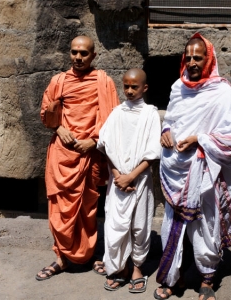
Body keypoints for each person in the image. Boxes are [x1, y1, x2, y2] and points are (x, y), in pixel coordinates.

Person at [154, 33, 231, 300]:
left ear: (209, 59)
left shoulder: (222, 92)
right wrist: (166, 131)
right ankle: (175, 277)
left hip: (206, 169)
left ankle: (207, 278)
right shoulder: (176, 88)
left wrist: (199, 139)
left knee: (206, 224)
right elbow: (170, 118)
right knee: (173, 225)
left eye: (198, 57)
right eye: (189, 57)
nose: (192, 62)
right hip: (175, 167)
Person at [36, 35, 120, 280]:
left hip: (89, 155)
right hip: (62, 156)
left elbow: (114, 119)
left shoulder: (104, 82)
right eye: (74, 52)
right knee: (59, 210)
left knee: (87, 209)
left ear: (94, 55)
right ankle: (61, 258)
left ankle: (91, 253)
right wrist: (58, 127)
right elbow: (45, 113)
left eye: (84, 53)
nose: (78, 57)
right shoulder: (58, 81)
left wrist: (94, 141)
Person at [96, 68, 161, 293]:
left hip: (140, 180)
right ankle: (119, 267)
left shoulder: (150, 113)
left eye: (135, 86)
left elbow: (153, 152)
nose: (130, 91)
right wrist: (118, 176)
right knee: (115, 225)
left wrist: (131, 176)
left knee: (139, 226)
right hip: (117, 182)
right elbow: (105, 147)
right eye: (126, 86)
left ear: (145, 88)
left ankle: (136, 268)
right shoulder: (116, 113)